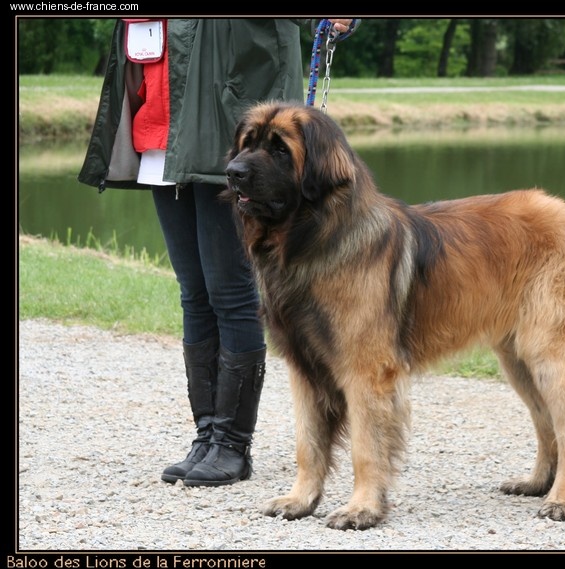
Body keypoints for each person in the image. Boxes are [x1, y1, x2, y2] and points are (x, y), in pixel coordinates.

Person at [78, 18, 359, 487]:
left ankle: (232, 444)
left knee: (230, 292)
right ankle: (206, 435)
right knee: (194, 292)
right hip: (160, 128)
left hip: (227, 132)